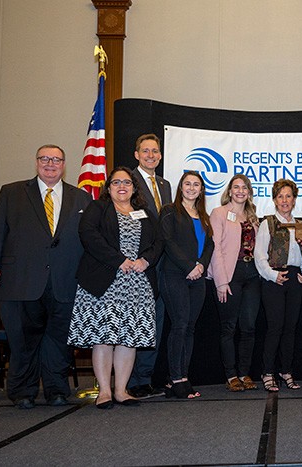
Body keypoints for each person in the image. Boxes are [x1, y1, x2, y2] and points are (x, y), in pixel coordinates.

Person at [0, 144, 91, 409]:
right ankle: (23, 392)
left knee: (59, 341)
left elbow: (90, 239)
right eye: (45, 158)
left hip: (65, 282)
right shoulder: (12, 192)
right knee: (23, 340)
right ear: (37, 162)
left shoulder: (81, 198)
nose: (50, 163)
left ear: (64, 164)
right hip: (21, 280)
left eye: (56, 159)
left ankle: (56, 390)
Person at [68, 167, 162, 409]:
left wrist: (145, 261)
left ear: (134, 188)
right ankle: (104, 392)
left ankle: (121, 390)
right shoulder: (98, 208)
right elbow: (88, 235)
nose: (122, 186)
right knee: (103, 337)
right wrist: (119, 260)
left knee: (128, 338)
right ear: (108, 187)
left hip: (137, 283)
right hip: (103, 281)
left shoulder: (145, 213)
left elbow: (158, 242)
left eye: (127, 183)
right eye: (117, 182)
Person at [254, 179, 302, 392]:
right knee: (275, 327)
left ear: (295, 199)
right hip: (274, 280)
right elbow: (259, 256)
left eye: (289, 196)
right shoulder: (267, 223)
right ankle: (267, 372)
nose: (285, 200)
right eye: (280, 197)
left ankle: (286, 371)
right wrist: (272, 275)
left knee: (291, 328)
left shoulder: (300, 225)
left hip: (295, 280)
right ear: (274, 200)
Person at [160, 171, 214, 398]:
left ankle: (182, 378)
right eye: (188, 184)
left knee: (190, 328)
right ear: (181, 187)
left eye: (196, 185)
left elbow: (209, 245)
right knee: (180, 325)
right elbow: (167, 242)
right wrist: (188, 267)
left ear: (202, 190)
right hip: (174, 275)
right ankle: (176, 378)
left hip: (198, 278)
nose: (192, 188)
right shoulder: (170, 211)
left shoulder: (204, 216)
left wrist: (201, 265)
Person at [128, 133, 172, 399]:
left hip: (161, 264)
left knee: (155, 322)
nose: (151, 155)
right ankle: (131, 380)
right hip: (137, 264)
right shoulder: (126, 182)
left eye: (155, 151)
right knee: (136, 323)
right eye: (146, 151)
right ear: (137, 155)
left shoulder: (165, 185)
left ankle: (145, 378)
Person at [207, 174, 261, 392]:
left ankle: (244, 372)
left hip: (252, 275)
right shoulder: (218, 214)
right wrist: (221, 281)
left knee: (248, 327)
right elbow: (215, 248)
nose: (240, 191)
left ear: (249, 192)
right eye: (236, 187)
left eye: (244, 188)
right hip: (230, 275)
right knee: (228, 327)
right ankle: (231, 375)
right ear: (229, 191)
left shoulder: (253, 216)